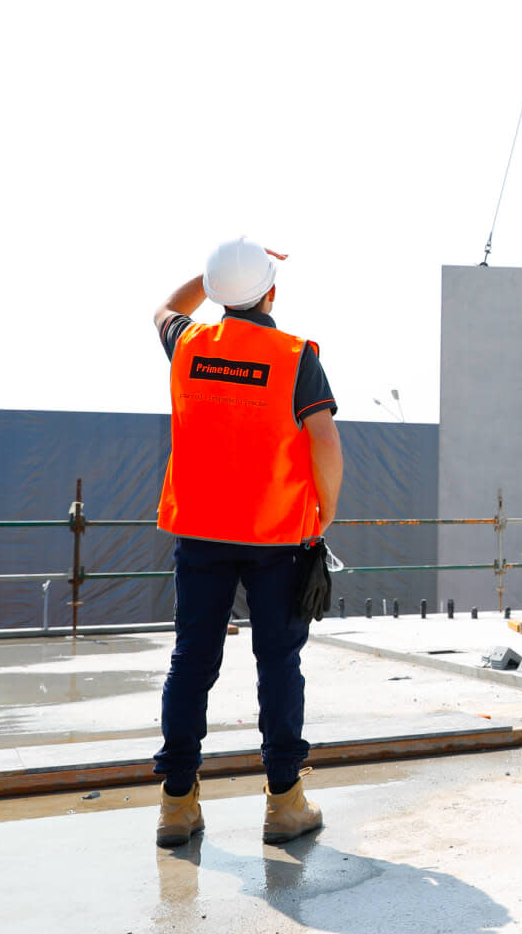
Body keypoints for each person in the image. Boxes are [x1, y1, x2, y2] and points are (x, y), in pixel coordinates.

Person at [149, 236, 343, 848]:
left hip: (201, 532)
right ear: (271, 292)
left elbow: (163, 307)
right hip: (277, 535)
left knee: (191, 661)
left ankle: (177, 806)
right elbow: (325, 442)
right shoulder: (293, 356)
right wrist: (324, 516)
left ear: (217, 295)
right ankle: (285, 803)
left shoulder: (188, 343)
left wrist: (212, 278)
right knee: (278, 662)